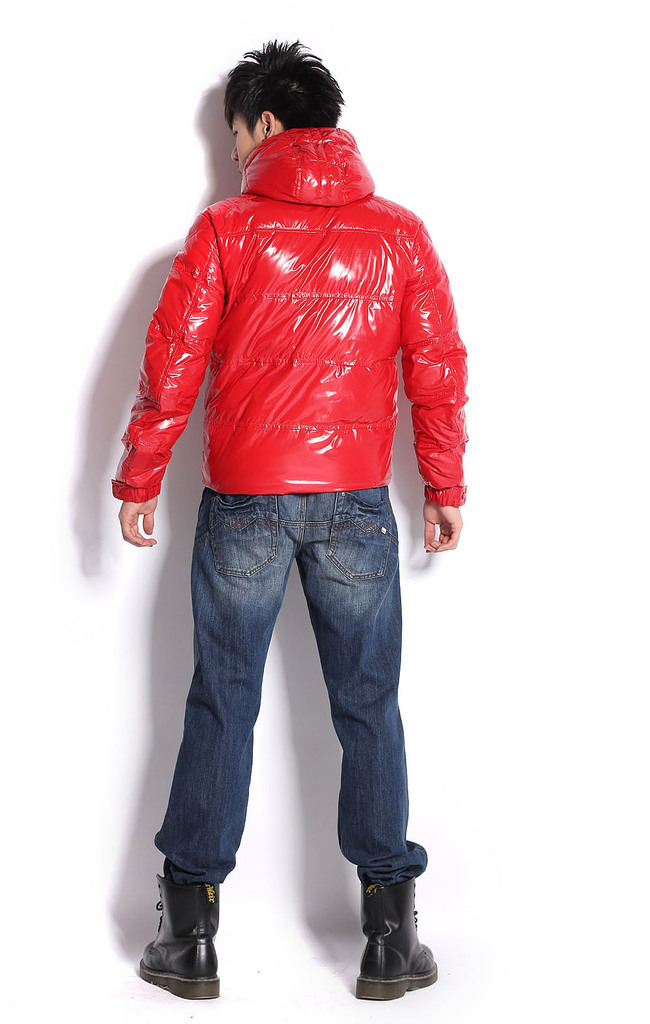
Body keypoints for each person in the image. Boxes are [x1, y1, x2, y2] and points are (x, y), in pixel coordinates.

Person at [112, 39, 468, 1002]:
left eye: (234, 132)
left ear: (266, 121)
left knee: (221, 701)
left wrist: (139, 476)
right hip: (356, 503)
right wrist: (443, 482)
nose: (233, 152)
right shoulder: (400, 235)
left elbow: (172, 362)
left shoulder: (224, 232)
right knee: (369, 705)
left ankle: (189, 937)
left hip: (245, 504)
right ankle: (391, 937)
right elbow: (436, 365)